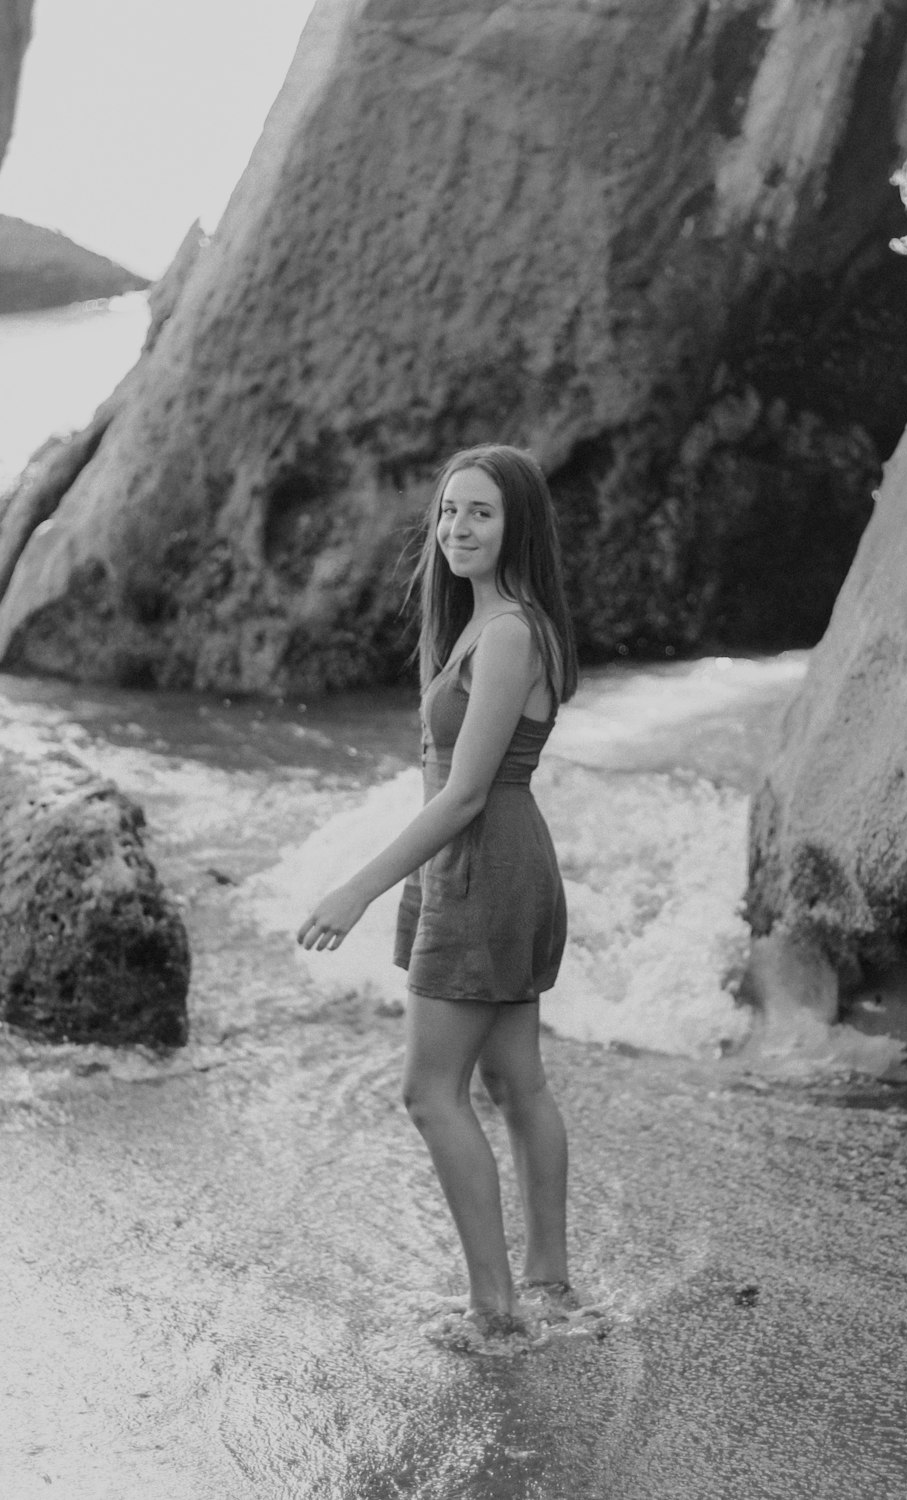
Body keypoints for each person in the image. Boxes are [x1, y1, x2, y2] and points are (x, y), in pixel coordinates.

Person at [297, 443, 579, 1345]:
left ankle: (497, 1312)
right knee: (513, 1079)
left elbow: (463, 792)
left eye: (481, 513)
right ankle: (549, 1288)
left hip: (483, 864)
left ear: (517, 525)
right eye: (450, 510)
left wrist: (359, 888)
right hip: (479, 863)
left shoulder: (505, 634)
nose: (458, 527)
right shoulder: (489, 621)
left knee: (430, 1093)